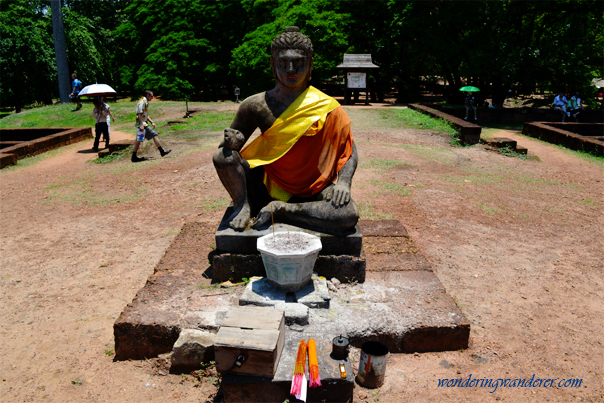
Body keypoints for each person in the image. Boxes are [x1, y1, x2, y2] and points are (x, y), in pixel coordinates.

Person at [213, 26, 358, 233]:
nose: (291, 69)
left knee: (348, 214)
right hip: (265, 184)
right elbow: (229, 151)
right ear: (273, 64)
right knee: (222, 156)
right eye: (283, 63)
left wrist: (344, 182)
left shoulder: (326, 107)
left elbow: (349, 149)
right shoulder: (255, 105)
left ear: (310, 65)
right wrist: (231, 143)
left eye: (299, 62)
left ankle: (282, 210)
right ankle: (242, 205)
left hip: (312, 189)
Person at [131, 90, 171, 162]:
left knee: (138, 141)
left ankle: (134, 157)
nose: (152, 98)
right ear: (147, 95)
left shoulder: (145, 102)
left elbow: (145, 114)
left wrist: (152, 122)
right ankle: (162, 152)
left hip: (142, 123)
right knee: (154, 135)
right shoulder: (142, 102)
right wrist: (141, 125)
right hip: (142, 124)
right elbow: (139, 114)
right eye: (152, 96)